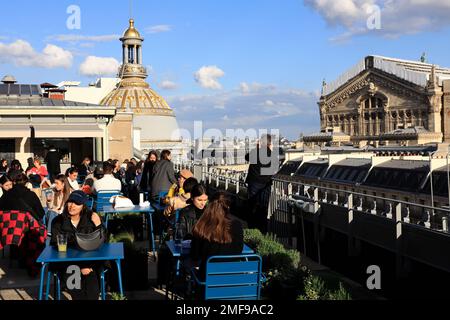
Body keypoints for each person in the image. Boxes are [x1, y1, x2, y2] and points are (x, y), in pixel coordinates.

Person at [50, 191, 105, 300]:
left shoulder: (91, 219)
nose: (72, 206)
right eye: (70, 202)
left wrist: (98, 225)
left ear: (83, 206)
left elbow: (102, 242)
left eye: (77, 203)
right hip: (68, 264)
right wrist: (79, 265)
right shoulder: (58, 221)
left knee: (92, 293)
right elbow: (55, 245)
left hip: (90, 263)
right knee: (77, 293)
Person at [190, 192, 244, 280]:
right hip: (232, 279)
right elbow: (239, 250)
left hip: (208, 280)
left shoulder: (202, 225)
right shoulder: (236, 225)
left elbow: (194, 255)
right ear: (228, 207)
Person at [245, 134, 279, 232]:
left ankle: (251, 227)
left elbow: (247, 157)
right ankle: (262, 229)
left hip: (254, 182)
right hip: (266, 184)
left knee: (252, 204)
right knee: (263, 206)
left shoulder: (256, 152)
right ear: (270, 143)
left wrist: (257, 148)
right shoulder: (272, 155)